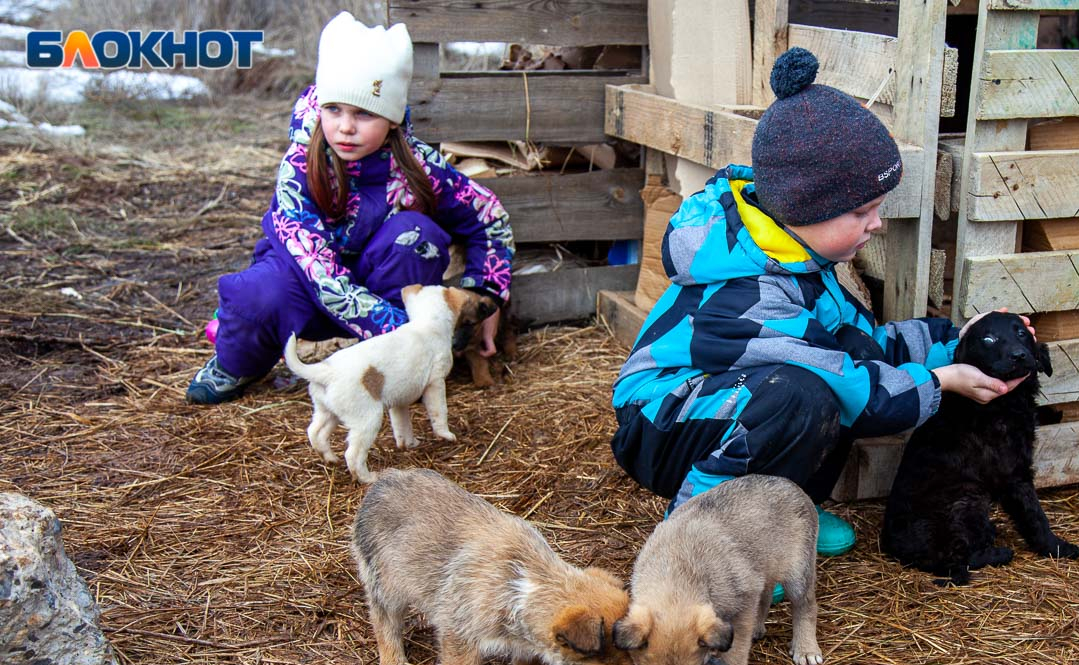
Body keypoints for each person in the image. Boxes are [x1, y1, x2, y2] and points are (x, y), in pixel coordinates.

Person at [609, 48, 1031, 557]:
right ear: (805, 209)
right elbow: (855, 387)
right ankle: (701, 543)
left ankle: (788, 513)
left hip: (721, 404)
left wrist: (959, 342)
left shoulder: (799, 261)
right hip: (661, 421)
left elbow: (864, 346)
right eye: (861, 212)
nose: (875, 224)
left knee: (824, 380)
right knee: (802, 395)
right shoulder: (750, 294)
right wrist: (943, 381)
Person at [187, 11, 513, 404]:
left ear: (393, 120)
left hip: (380, 279)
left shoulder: (418, 168)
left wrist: (486, 295)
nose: (345, 127)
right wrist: (409, 336)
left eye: (364, 113)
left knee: (417, 235)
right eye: (334, 109)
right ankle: (237, 362)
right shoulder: (298, 167)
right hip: (303, 285)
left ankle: (395, 369)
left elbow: (488, 216)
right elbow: (323, 278)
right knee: (258, 294)